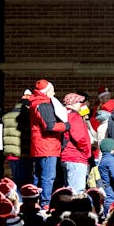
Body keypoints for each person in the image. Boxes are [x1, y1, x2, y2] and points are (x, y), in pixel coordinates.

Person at [28, 79, 68, 208]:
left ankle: (34, 200)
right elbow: (50, 126)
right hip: (47, 146)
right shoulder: (44, 104)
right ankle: (45, 203)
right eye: (52, 90)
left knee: (38, 176)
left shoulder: (34, 103)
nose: (54, 92)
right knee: (48, 176)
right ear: (47, 91)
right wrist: (65, 126)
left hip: (38, 145)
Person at [59, 92, 95, 193]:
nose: (82, 105)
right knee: (76, 192)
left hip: (67, 156)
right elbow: (80, 137)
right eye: (80, 103)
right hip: (76, 157)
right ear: (74, 103)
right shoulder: (74, 116)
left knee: (69, 190)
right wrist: (87, 151)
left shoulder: (64, 115)